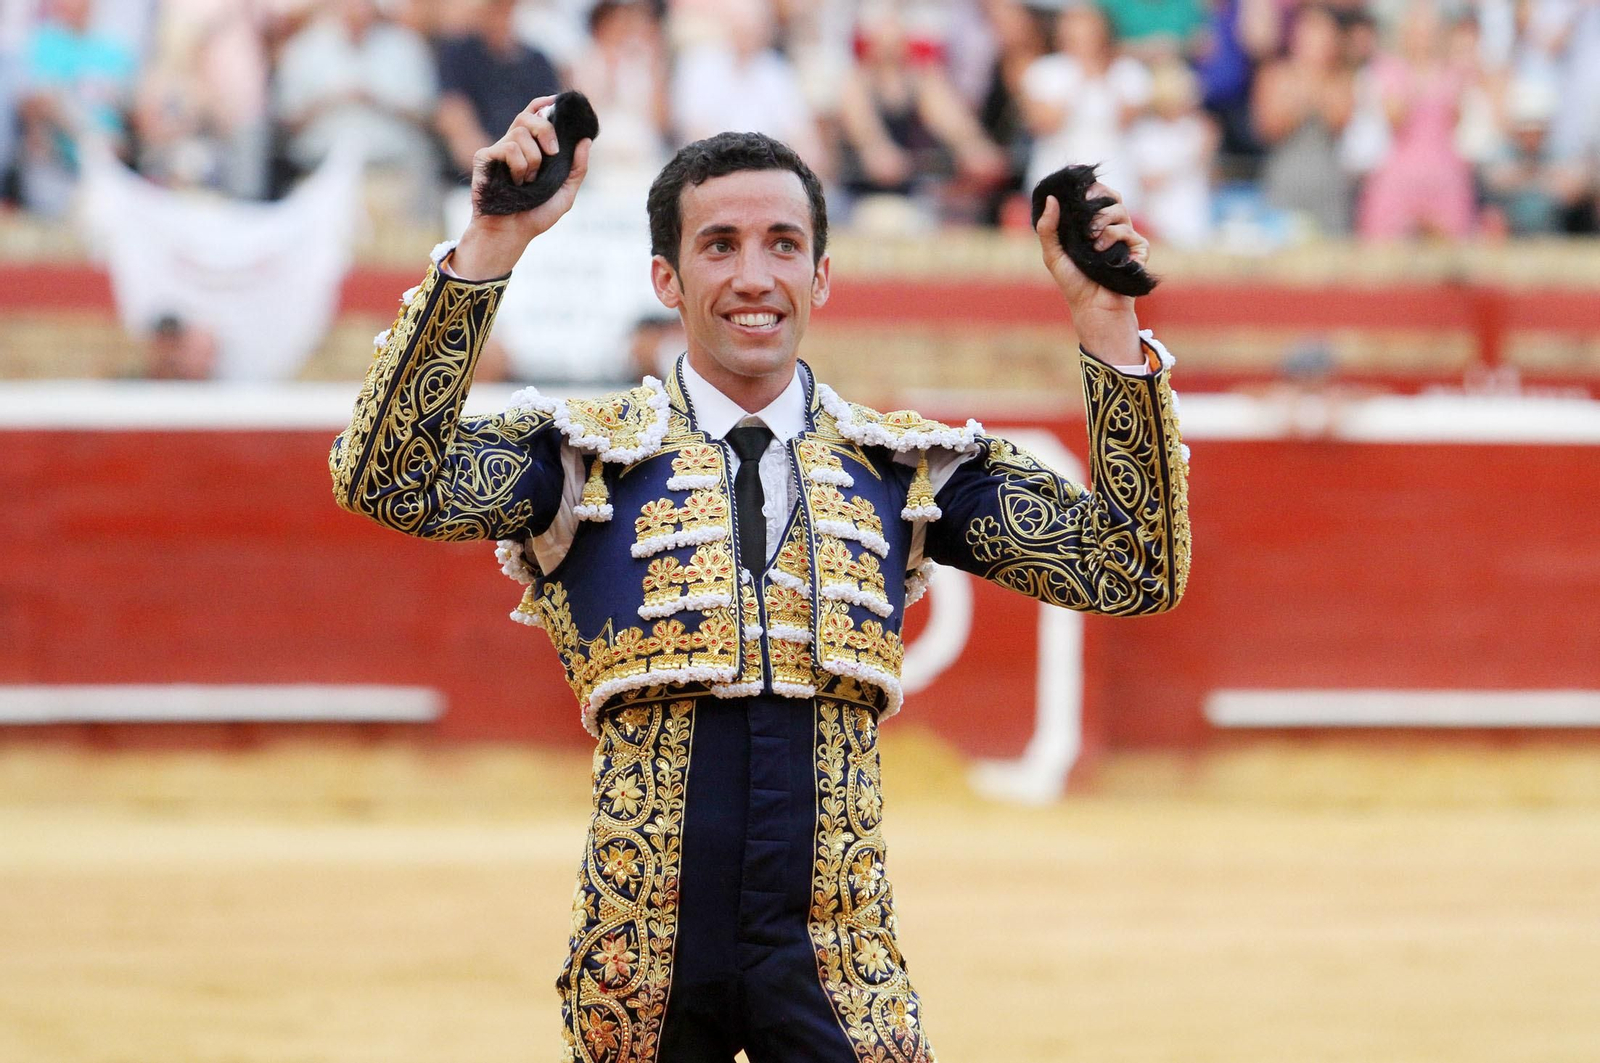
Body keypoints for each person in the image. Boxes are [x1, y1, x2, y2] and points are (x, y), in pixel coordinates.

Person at [329, 95, 1190, 1061]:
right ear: (667, 274)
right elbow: (386, 475)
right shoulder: (586, 460)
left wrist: (1104, 318)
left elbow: (1132, 565)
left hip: (834, 949)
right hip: (641, 956)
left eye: (783, 244)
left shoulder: (898, 471)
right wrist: (489, 243)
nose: (754, 276)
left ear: (821, 273)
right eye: (720, 244)